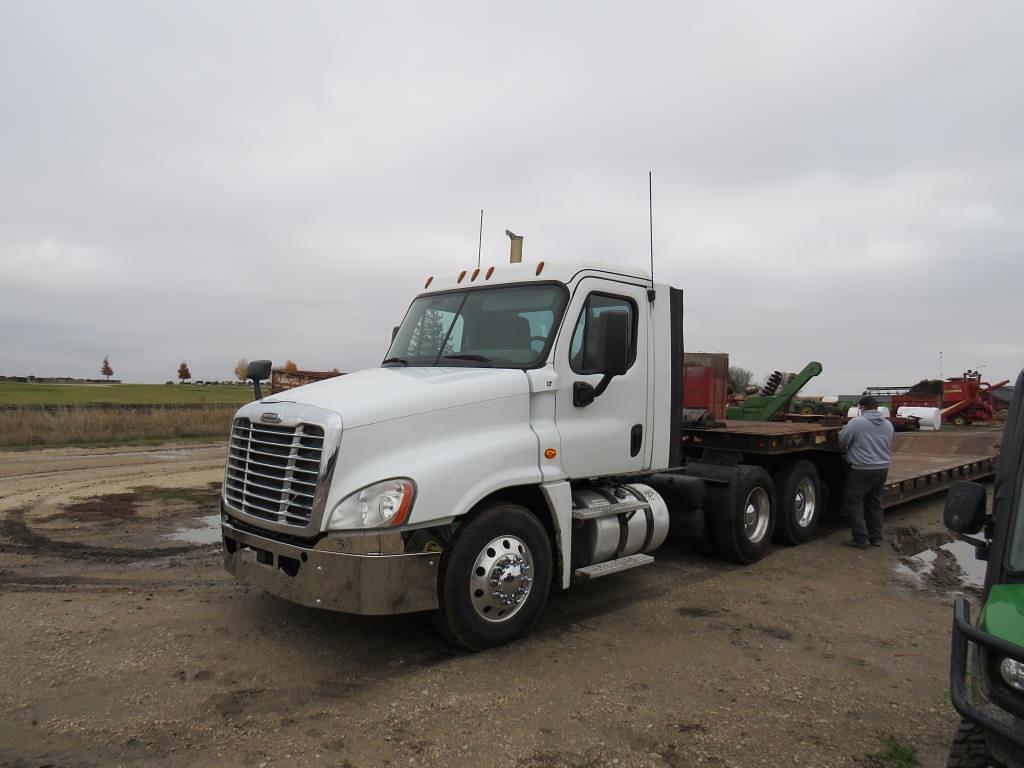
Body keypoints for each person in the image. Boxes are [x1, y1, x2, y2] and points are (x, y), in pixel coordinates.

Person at [838, 395, 895, 549]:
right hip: (882, 469)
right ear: (876, 407)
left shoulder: (857, 422)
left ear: (862, 408)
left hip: (861, 470)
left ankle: (860, 539)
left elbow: (842, 439)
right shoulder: (888, 425)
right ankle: (876, 538)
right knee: (875, 504)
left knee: (855, 502)